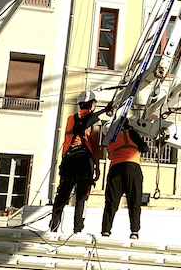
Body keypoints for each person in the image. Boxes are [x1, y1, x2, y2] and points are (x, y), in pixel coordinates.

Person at [49, 90, 102, 233]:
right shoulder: (95, 120)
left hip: (68, 159)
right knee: (81, 196)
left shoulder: (70, 119)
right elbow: (95, 143)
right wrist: (96, 165)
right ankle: (77, 229)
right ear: (92, 104)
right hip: (84, 160)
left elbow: (67, 140)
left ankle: (53, 226)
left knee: (62, 194)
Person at [100, 116, 149, 239]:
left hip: (115, 169)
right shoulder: (130, 133)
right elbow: (144, 148)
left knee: (111, 202)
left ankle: (106, 230)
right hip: (132, 167)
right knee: (134, 201)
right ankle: (134, 231)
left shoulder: (109, 139)